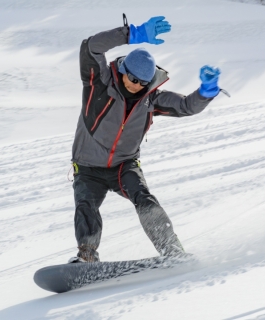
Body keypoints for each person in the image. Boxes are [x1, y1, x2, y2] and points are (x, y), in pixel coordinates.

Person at [69, 15, 221, 263]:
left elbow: (185, 106)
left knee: (145, 199)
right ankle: (87, 255)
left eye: (142, 82)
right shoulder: (100, 82)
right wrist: (132, 34)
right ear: (123, 70)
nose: (136, 85)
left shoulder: (151, 99)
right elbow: (90, 46)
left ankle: (171, 250)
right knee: (86, 206)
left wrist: (206, 92)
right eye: (133, 79)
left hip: (124, 166)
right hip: (87, 166)